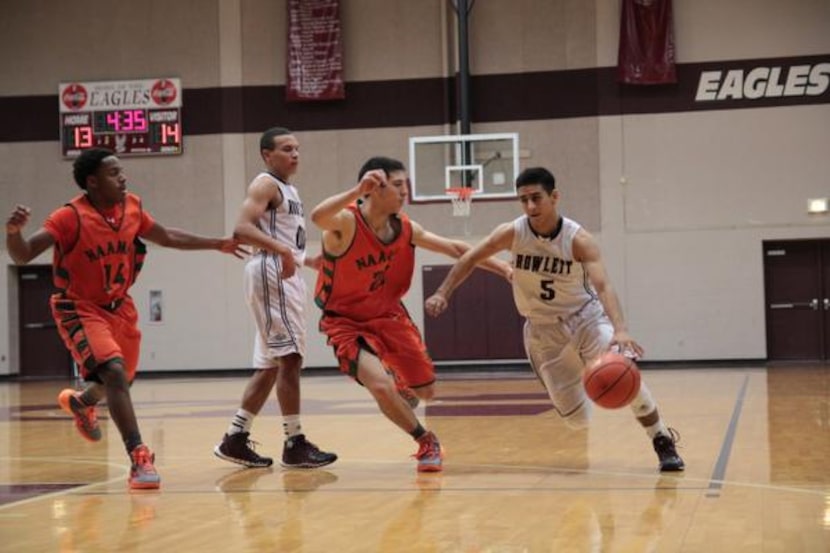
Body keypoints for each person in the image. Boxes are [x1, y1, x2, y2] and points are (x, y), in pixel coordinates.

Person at [5, 148, 246, 490]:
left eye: (121, 172)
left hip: (120, 307)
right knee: (114, 372)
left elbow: (167, 236)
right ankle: (139, 456)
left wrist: (216, 243)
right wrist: (13, 233)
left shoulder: (131, 206)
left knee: (120, 382)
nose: (123, 178)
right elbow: (24, 254)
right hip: (80, 307)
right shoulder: (69, 217)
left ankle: (82, 402)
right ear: (92, 182)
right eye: (114, 173)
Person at [424, 167, 685, 472]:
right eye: (524, 200)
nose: (531, 207)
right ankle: (591, 377)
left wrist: (621, 330)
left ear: (554, 197)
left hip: (585, 317)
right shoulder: (512, 232)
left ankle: (662, 439)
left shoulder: (578, 239)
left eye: (536, 198)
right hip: (543, 330)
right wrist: (443, 292)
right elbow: (470, 257)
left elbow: (603, 285)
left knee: (624, 371)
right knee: (576, 421)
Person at [310, 156, 512, 472]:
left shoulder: (405, 228)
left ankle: (400, 378)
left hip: (388, 315)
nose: (406, 192)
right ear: (373, 188)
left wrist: (503, 268)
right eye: (399, 184)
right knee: (380, 386)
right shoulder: (346, 223)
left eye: (406, 184)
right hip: (344, 321)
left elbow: (456, 249)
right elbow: (317, 216)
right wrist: (355, 190)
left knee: (426, 392)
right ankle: (425, 440)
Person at [213, 127, 337, 470]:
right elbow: (242, 228)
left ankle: (235, 438)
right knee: (290, 358)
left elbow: (281, 237)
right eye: (286, 149)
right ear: (267, 155)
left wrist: (304, 259)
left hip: (280, 270)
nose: (295, 154)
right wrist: (283, 250)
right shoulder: (265, 184)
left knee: (270, 365)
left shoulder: (288, 189)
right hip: (270, 273)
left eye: (297, 148)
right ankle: (294, 443)